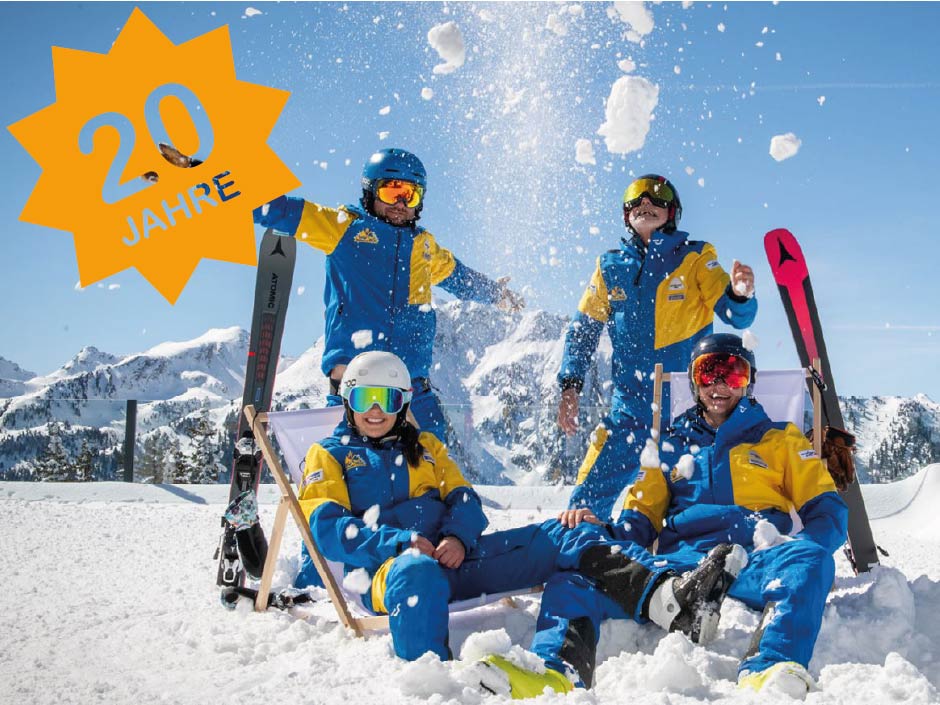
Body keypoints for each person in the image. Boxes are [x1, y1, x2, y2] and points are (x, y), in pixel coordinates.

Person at [294, 350, 737, 685]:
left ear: (402, 402)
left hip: (457, 558)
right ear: (347, 400)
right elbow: (328, 529)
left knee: (566, 531)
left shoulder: (425, 447)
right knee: (417, 572)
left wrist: (457, 537)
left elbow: (466, 500)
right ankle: (435, 684)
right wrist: (399, 544)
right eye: (365, 398)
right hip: (391, 572)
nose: (375, 410)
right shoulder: (329, 455)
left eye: (387, 399)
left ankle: (666, 597)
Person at [508, 333, 847, 699]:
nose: (718, 384)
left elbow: (827, 512)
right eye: (707, 373)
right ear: (693, 381)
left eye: (732, 373)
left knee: (810, 559)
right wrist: (605, 533)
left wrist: (799, 550)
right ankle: (554, 672)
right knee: (575, 578)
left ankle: (769, 669)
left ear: (748, 382)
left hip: (755, 559)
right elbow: (639, 521)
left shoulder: (780, 439)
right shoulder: (671, 445)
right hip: (678, 574)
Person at [254, 148, 524, 442]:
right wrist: (220, 182)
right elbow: (277, 210)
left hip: (412, 391)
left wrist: (495, 294)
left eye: (410, 195)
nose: (400, 203)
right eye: (391, 192)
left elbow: (459, 277)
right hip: (356, 387)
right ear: (370, 191)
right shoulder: (342, 228)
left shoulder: (424, 247)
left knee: (433, 462)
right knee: (348, 463)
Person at [558, 174, 758, 521]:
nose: (646, 202)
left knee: (696, 515)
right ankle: (586, 552)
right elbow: (582, 331)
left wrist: (740, 295)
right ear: (626, 213)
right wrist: (570, 386)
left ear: (672, 212)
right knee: (582, 509)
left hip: (687, 415)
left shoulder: (696, 257)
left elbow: (733, 314)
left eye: (657, 195)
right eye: (636, 196)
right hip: (628, 414)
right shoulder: (609, 267)